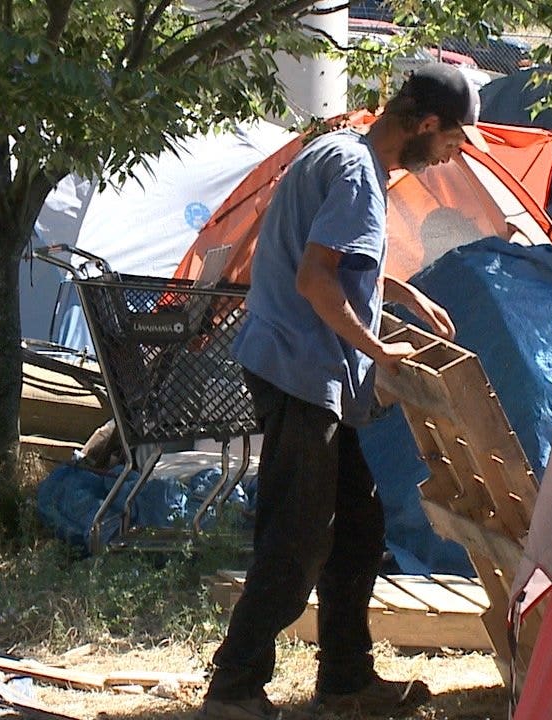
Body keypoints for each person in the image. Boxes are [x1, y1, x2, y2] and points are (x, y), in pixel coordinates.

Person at [197, 63, 481, 720]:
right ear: (429, 122)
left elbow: (334, 259)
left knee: (358, 527)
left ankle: (346, 679)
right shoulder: (358, 175)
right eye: (455, 141)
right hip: (302, 374)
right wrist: (382, 351)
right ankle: (233, 686)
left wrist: (400, 291)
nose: (452, 156)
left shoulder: (338, 151)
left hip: (295, 366)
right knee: (297, 539)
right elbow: (314, 280)